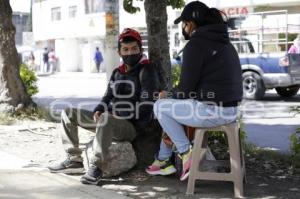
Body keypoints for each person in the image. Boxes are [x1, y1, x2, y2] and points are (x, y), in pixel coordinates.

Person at [48, 28, 161, 185]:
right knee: (69, 112)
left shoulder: (147, 70)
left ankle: (97, 167)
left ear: (140, 49)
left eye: (134, 49)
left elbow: (147, 105)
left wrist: (118, 114)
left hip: (130, 127)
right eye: (126, 49)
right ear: (120, 52)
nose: (130, 53)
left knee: (107, 118)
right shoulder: (117, 72)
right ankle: (74, 159)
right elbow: (107, 96)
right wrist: (99, 109)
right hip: (108, 122)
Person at [146, 1, 243, 181]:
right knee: (173, 109)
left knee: (160, 107)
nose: (184, 28)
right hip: (231, 111)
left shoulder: (196, 44)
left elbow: (185, 90)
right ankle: (163, 159)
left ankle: (186, 154)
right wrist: (175, 97)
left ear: (191, 23)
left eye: (184, 23)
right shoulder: (225, 42)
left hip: (211, 111)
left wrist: (170, 96)